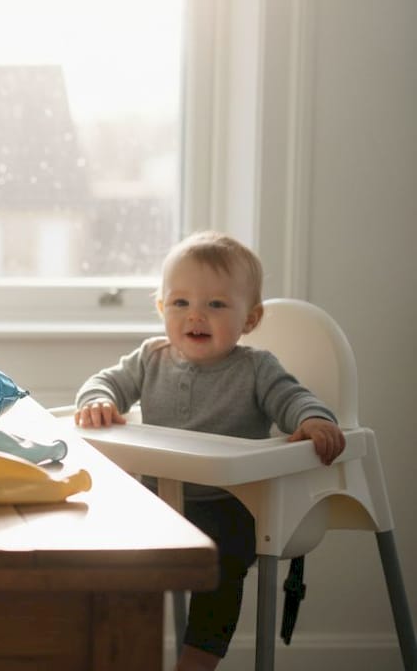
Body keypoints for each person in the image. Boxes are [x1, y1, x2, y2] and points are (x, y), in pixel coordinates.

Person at [73, 230, 346, 671]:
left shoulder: (257, 369)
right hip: (156, 498)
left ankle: (197, 660)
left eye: (216, 304)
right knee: (110, 552)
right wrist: (98, 401)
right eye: (180, 303)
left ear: (250, 319)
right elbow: (104, 383)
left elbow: (294, 398)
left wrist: (314, 420)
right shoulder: (149, 357)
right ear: (162, 308)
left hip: (229, 502)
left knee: (219, 568)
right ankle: (113, 649)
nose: (195, 315)